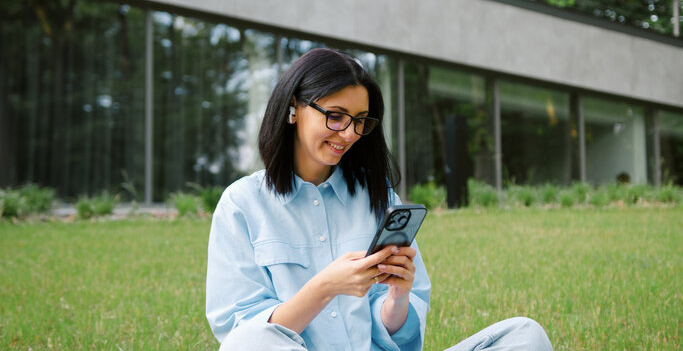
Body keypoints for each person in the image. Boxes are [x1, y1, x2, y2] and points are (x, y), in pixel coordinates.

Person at [206, 48, 553, 351]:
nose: (349, 134)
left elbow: (400, 341)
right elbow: (244, 335)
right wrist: (325, 287)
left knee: (525, 336)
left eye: (359, 121)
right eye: (335, 115)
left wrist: (398, 297)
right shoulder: (242, 205)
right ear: (293, 108)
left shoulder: (378, 197)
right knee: (247, 342)